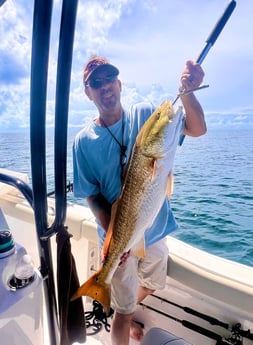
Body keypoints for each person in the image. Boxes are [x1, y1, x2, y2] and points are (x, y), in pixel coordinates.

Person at [73, 55, 206, 345]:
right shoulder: (83, 141)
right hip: (115, 237)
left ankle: (129, 306)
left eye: (109, 78)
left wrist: (188, 93)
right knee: (121, 312)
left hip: (155, 229)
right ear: (87, 92)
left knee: (154, 282)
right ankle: (124, 311)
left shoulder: (146, 113)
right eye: (95, 82)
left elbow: (196, 129)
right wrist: (114, 238)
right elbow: (91, 195)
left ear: (119, 84)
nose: (104, 86)